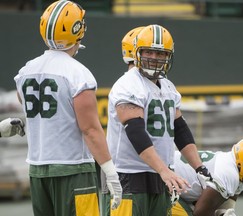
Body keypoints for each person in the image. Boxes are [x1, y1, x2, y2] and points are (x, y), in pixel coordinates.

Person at [14, 1, 122, 215]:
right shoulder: (77, 73)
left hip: (37, 170)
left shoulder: (25, 71)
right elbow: (90, 129)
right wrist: (110, 171)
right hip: (73, 169)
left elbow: (34, 110)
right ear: (77, 29)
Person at [102, 24, 212, 216]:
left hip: (160, 176)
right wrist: (164, 170)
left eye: (160, 54)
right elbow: (136, 132)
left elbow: (180, 130)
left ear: (168, 56)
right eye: (149, 52)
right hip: (129, 175)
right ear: (138, 53)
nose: (154, 58)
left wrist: (199, 168)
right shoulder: (128, 85)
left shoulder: (168, 87)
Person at [171, 135, 243, 216]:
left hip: (172, 183)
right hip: (163, 181)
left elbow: (226, 204)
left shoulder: (234, 171)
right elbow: (200, 213)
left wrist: (225, 213)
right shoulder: (229, 174)